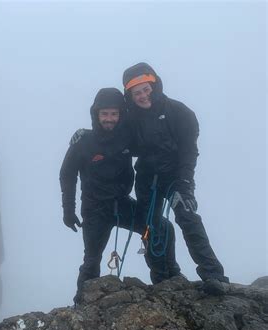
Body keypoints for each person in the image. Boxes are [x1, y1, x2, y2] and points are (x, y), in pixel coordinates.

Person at [59, 88, 180, 305]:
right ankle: (81, 305)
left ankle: (167, 282)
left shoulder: (127, 137)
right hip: (95, 210)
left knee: (160, 229)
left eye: (114, 114)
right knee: (91, 261)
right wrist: (68, 210)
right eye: (104, 114)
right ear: (96, 114)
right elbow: (67, 175)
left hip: (122, 204)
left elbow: (151, 142)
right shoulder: (83, 142)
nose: (109, 119)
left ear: (120, 115)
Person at [122, 62, 229, 295]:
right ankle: (162, 279)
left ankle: (214, 275)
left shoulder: (179, 112)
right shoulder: (129, 120)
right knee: (151, 225)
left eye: (145, 89)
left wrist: (185, 184)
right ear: (130, 96)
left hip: (175, 177)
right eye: (136, 92)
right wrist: (86, 136)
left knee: (187, 216)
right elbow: (109, 136)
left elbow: (189, 151)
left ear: (154, 85)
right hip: (147, 181)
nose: (142, 96)